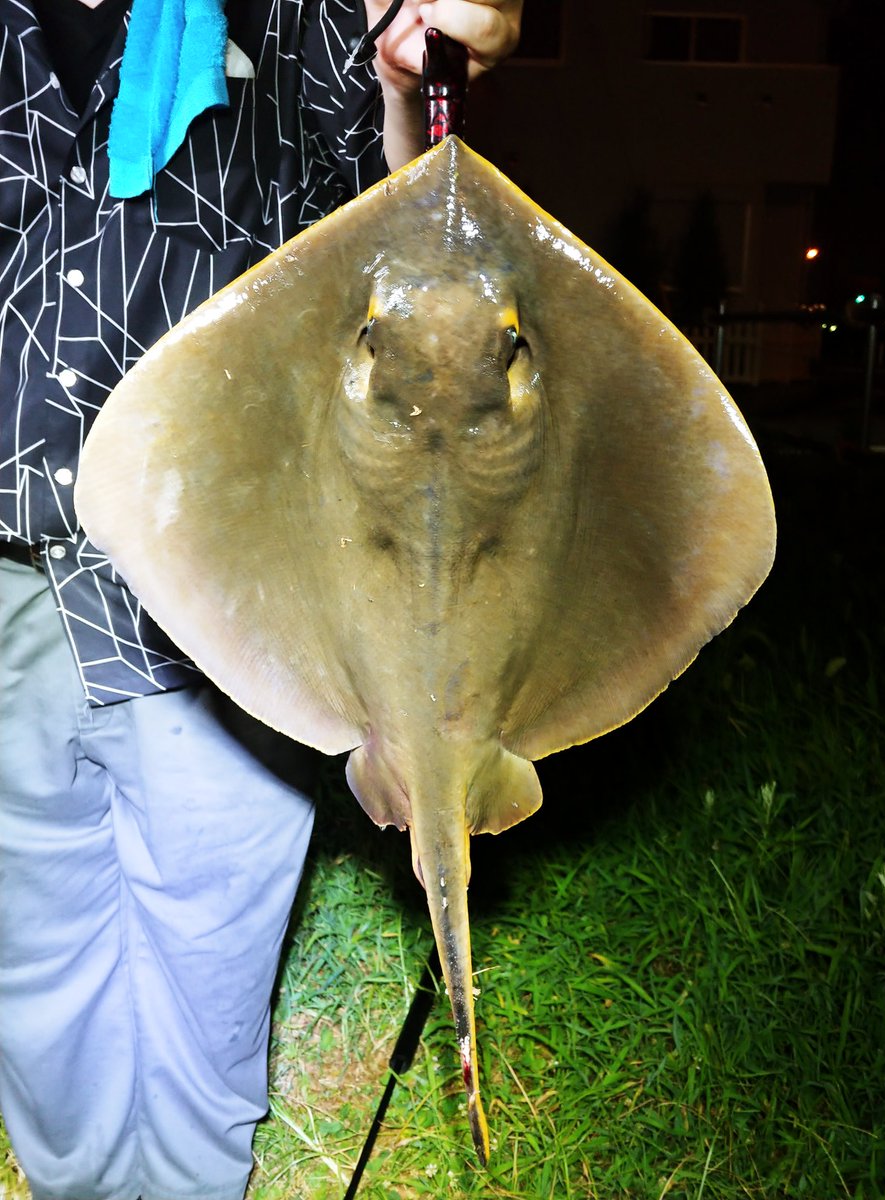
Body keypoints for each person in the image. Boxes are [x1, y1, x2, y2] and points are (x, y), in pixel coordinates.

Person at [0, 1, 521, 1197]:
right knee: (33, 961)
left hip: (231, 588)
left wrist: (414, 67)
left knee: (204, 951)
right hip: (9, 564)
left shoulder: (300, 12)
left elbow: (396, 223)